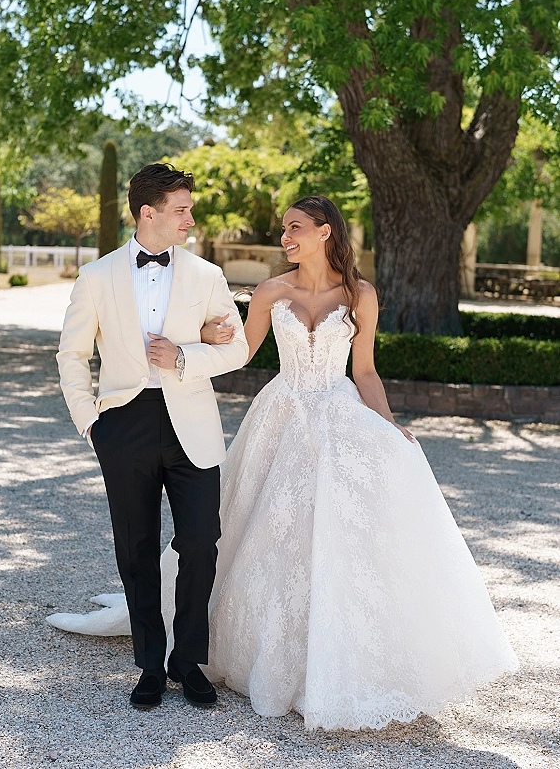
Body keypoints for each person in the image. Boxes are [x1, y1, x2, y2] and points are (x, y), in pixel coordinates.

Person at [50, 195, 518, 730]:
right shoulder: (271, 290)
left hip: (339, 412)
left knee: (340, 532)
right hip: (282, 412)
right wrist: (194, 344)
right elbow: (241, 352)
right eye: (283, 230)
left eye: (294, 228)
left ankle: (334, 652)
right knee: (267, 528)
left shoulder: (362, 294)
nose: (285, 238)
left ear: (325, 231)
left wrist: (388, 426)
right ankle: (195, 653)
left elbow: (364, 371)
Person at [55, 162, 248, 710]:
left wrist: (187, 354)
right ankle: (148, 664)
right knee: (136, 549)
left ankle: (188, 663)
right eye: (181, 209)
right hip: (124, 426)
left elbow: (235, 349)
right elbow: (72, 355)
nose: (190, 218)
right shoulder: (96, 277)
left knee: (201, 544)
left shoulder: (208, 276)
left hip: (194, 428)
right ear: (149, 212)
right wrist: (90, 421)